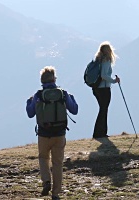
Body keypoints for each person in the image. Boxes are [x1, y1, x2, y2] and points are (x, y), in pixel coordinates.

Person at [26, 66, 78, 200]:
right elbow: (74, 110)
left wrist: (29, 102)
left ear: (42, 81)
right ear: (54, 79)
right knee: (58, 163)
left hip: (44, 134)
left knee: (43, 158)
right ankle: (55, 193)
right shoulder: (63, 93)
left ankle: (46, 182)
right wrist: (71, 98)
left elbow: (30, 113)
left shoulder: (38, 95)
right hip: (60, 134)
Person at [92, 41, 121, 139]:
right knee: (104, 109)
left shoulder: (98, 60)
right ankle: (100, 133)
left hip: (96, 88)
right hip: (104, 88)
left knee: (102, 109)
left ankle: (99, 132)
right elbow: (104, 75)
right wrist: (114, 80)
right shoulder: (106, 60)